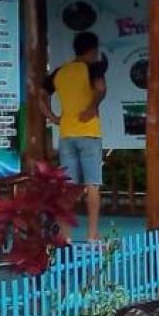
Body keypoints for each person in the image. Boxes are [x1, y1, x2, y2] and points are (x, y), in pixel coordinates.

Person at [42, 33, 108, 242]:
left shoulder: (61, 71)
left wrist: (52, 117)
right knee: (92, 184)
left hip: (66, 134)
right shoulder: (92, 67)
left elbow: (40, 95)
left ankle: (65, 235)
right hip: (89, 133)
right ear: (93, 50)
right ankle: (92, 234)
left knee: (68, 187)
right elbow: (101, 88)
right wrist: (92, 107)